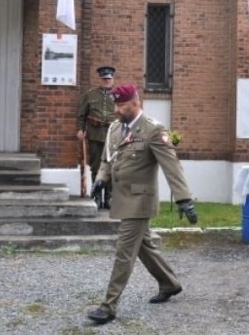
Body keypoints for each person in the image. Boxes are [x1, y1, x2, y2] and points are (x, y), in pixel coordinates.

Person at [86, 84, 197, 325]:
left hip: (140, 200)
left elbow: (171, 166)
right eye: (115, 104)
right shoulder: (115, 128)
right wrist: (100, 180)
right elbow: (108, 158)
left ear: (135, 103)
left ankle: (108, 306)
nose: (116, 110)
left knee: (124, 252)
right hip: (123, 197)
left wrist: (184, 198)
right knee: (144, 246)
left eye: (121, 105)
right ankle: (170, 283)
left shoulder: (153, 130)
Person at [77, 65, 117, 209]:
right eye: (104, 78)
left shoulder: (118, 94)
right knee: (96, 166)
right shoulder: (90, 94)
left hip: (113, 135)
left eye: (109, 79)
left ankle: (109, 197)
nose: (107, 81)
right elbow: (81, 115)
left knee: (112, 166)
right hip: (94, 133)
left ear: (112, 79)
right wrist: (80, 130)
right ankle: (97, 195)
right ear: (100, 79)